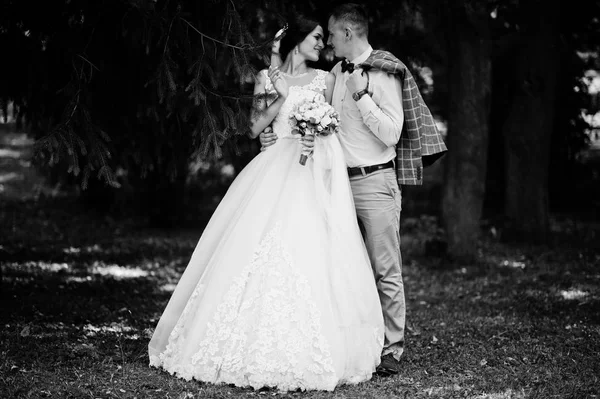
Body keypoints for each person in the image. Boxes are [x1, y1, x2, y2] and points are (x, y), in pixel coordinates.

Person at [148, 13, 385, 392]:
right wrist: (281, 97)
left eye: (324, 38)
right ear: (295, 39)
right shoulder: (264, 78)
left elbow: (331, 127)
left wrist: (316, 137)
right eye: (316, 37)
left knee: (311, 249)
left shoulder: (325, 80)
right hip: (272, 170)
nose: (321, 44)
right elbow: (255, 128)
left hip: (308, 173)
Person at [260, 3, 447, 376]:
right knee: (343, 267)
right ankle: (355, 341)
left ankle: (392, 349)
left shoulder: (384, 72)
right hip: (336, 183)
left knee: (384, 268)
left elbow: (393, 133)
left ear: (348, 34)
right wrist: (280, 134)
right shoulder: (334, 74)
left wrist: (362, 96)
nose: (328, 42)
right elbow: (324, 126)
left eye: (331, 34)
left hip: (376, 182)